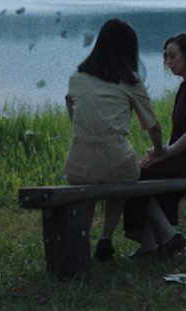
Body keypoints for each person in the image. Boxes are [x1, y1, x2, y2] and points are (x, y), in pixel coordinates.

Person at [64, 18, 166, 262]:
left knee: (92, 185)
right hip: (115, 161)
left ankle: (82, 242)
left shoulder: (76, 77)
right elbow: (153, 126)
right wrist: (159, 150)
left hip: (77, 163)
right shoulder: (131, 81)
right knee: (124, 173)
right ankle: (106, 237)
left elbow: (71, 108)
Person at [123, 32, 186, 258]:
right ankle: (152, 244)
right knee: (142, 170)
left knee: (138, 174)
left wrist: (165, 153)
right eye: (166, 57)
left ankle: (164, 238)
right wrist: (160, 155)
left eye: (173, 56)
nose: (168, 62)